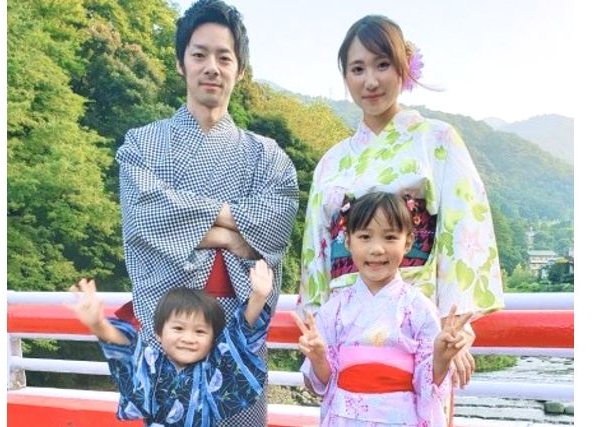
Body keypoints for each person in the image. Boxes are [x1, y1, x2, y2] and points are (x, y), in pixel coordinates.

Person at [298, 14, 504, 392]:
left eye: (382, 64)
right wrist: (316, 327)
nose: (371, 81)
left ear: (403, 68)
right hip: (347, 317)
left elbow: (464, 229)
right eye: (357, 69)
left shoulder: (436, 140)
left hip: (415, 318)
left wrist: (452, 323)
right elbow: (317, 249)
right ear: (345, 77)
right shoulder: (332, 161)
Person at [116, 0, 299, 424]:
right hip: (171, 325)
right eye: (199, 54)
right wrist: (234, 236)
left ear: (239, 68)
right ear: (181, 63)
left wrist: (188, 218)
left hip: (237, 324)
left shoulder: (267, 156)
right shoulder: (142, 144)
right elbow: (145, 214)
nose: (211, 67)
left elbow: (276, 219)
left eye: (224, 57)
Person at [293, 192, 472, 426]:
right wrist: (318, 358)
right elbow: (322, 385)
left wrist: (440, 359)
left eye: (389, 237)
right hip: (346, 418)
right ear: (348, 241)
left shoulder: (419, 308)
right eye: (365, 237)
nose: (376, 249)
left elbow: (427, 386)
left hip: (399, 418)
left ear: (407, 242)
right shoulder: (333, 310)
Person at [69, 260, 274, 427]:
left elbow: (237, 338)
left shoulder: (212, 371)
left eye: (200, 331)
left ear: (213, 339)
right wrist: (99, 325)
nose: (188, 338)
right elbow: (127, 350)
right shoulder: (151, 364)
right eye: (178, 328)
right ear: (159, 333)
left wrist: (258, 296)